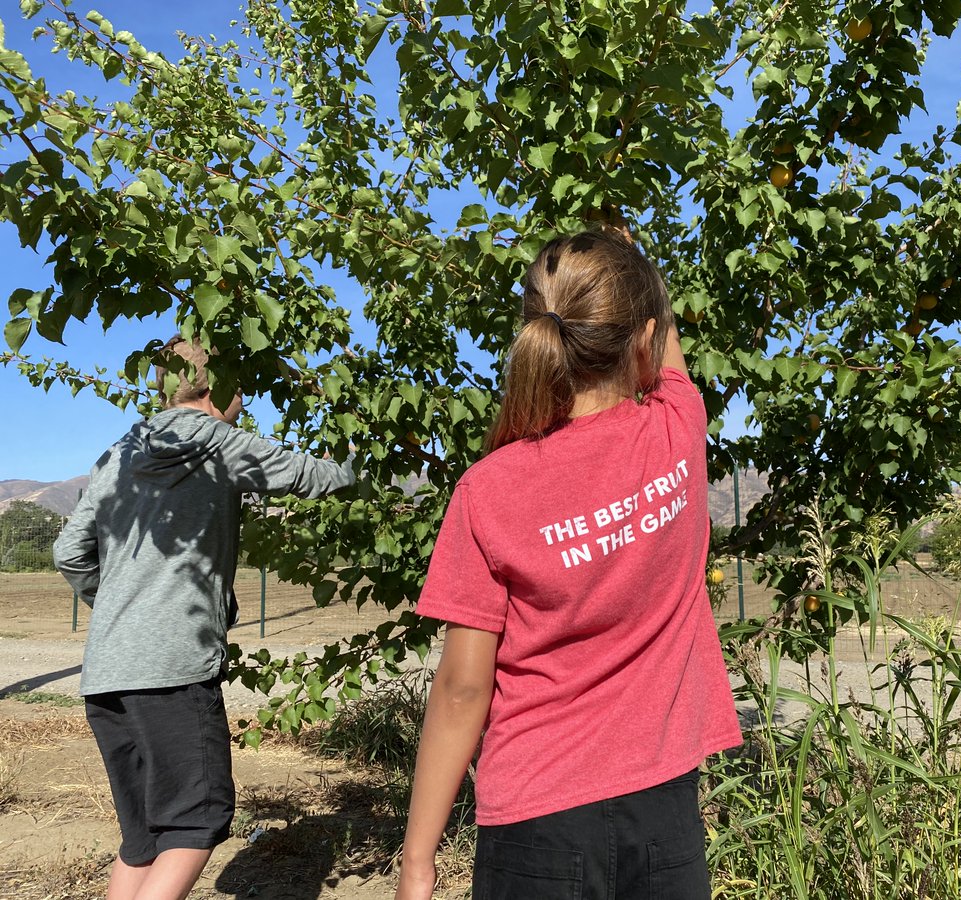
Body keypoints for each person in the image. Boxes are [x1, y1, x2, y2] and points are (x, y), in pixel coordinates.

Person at [393, 228, 742, 900]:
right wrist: (639, 261)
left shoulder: (487, 491)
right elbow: (668, 352)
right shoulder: (677, 431)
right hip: (664, 812)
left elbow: (464, 691)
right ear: (640, 338)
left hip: (535, 824)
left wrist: (418, 860)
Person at [53, 335, 356, 900]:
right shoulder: (222, 443)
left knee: (143, 837)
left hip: (105, 673)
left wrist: (122, 604)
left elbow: (68, 551)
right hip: (173, 668)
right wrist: (369, 453)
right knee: (196, 822)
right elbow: (321, 477)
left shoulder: (117, 454)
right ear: (222, 388)